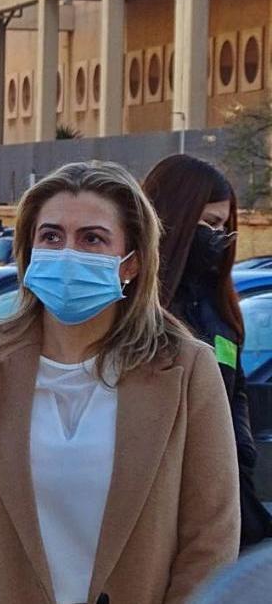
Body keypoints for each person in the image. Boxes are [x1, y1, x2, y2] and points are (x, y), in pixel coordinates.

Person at [0, 161, 240, 604]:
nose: (68, 252)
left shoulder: (188, 370)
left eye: (92, 238)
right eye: (51, 236)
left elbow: (210, 537)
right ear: (29, 251)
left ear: (132, 263)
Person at [143, 154, 272, 548]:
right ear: (172, 220)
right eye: (210, 225)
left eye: (225, 226)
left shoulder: (218, 306)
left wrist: (242, 456)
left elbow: (234, 392)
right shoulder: (138, 308)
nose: (220, 238)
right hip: (161, 506)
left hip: (226, 495)